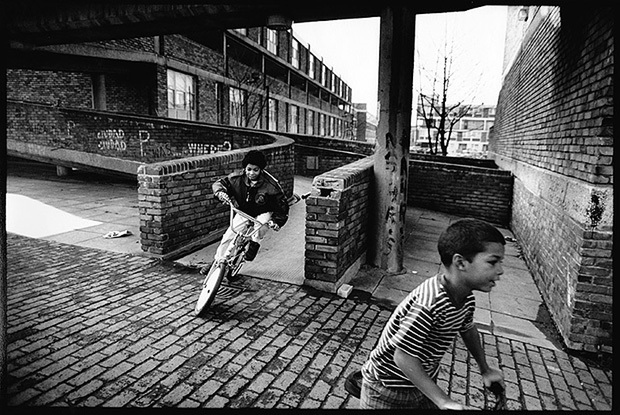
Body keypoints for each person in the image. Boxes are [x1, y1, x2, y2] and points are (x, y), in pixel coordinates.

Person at [360, 218, 506, 410]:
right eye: (493, 262)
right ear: (460, 262)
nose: (501, 271)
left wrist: (485, 369)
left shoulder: (466, 297)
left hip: (422, 382)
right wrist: (443, 401)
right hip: (388, 389)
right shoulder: (430, 303)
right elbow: (403, 357)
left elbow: (468, 329)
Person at [201, 150, 289, 280]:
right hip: (244, 210)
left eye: (255, 170)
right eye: (248, 169)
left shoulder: (272, 186)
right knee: (229, 235)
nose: (251, 173)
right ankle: (217, 261)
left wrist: (276, 222)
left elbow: (282, 207)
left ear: (261, 170)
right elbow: (220, 183)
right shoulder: (236, 178)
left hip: (262, 211)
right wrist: (220, 192)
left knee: (262, 224)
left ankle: (255, 243)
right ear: (244, 168)